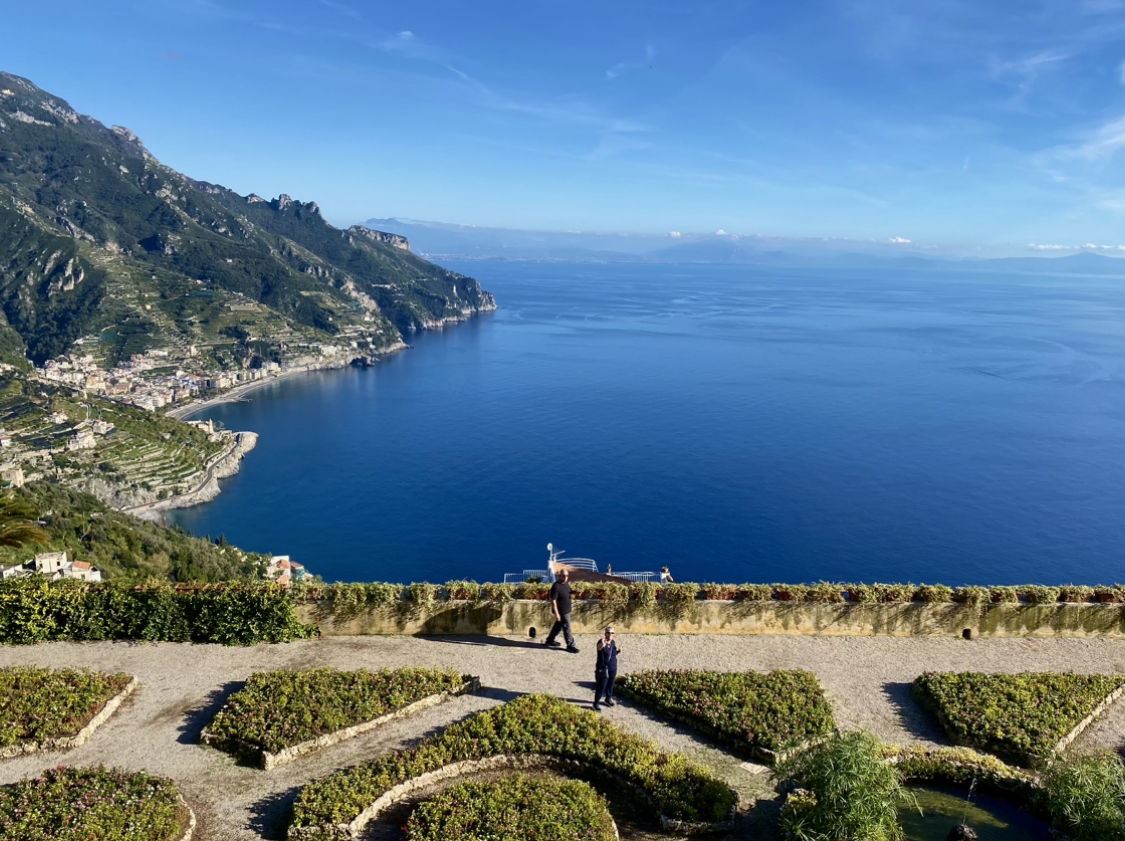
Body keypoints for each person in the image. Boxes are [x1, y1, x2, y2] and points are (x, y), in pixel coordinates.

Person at [544, 568, 579, 653]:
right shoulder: (556, 586)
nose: (566, 577)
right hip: (562, 612)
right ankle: (570, 645)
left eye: (567, 575)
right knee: (567, 628)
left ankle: (549, 640)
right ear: (559, 576)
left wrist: (575, 592)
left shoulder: (566, 584)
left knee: (558, 626)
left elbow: (569, 592)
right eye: (563, 576)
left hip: (567, 610)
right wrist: (557, 614)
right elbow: (553, 601)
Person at [593, 626, 621, 711]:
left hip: (613, 667)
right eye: (608, 632)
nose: (610, 634)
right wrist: (602, 645)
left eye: (612, 633)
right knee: (601, 686)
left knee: (610, 685)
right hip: (603, 668)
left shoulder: (612, 643)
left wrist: (618, 651)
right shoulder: (601, 642)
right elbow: (599, 647)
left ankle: (608, 699)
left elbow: (612, 653)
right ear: (605, 633)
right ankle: (596, 704)